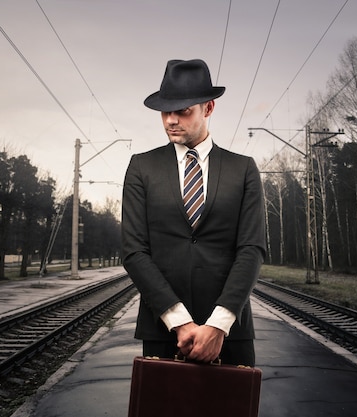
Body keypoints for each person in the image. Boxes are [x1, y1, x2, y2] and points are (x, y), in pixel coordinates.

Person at [121, 59, 265, 367]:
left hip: (231, 335)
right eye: (165, 111)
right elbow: (134, 251)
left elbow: (251, 250)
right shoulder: (141, 168)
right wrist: (179, 321)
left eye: (183, 110)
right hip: (163, 333)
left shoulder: (243, 170)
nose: (171, 120)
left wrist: (218, 325)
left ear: (208, 108)